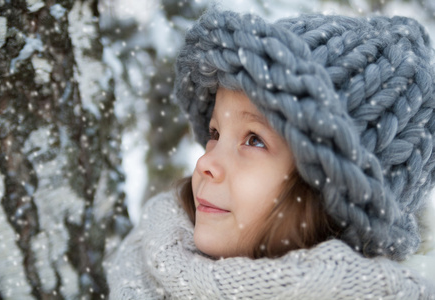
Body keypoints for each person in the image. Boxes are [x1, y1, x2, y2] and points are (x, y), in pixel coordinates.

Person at [106, 7, 435, 299]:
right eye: (215, 133)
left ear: (329, 197)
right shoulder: (148, 259)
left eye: (254, 140)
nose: (206, 162)